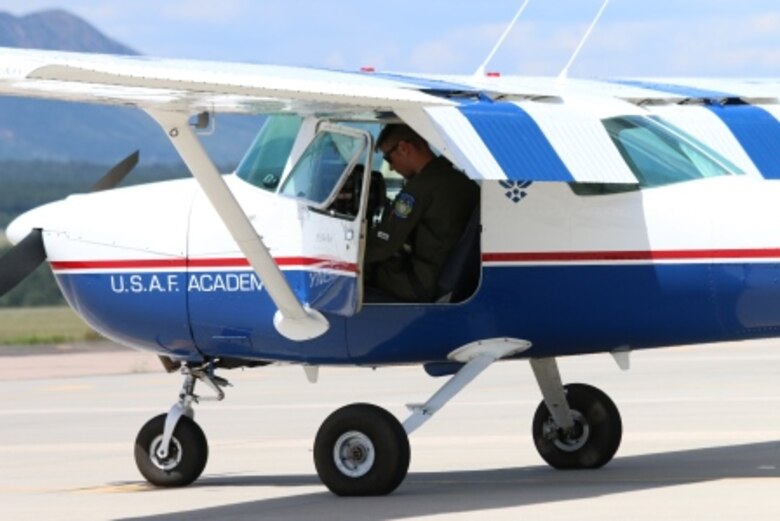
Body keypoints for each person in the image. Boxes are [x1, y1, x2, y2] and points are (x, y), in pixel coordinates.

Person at [365, 124, 479, 302]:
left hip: (419, 282)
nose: (392, 168)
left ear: (403, 148)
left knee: (361, 271)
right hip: (444, 273)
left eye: (389, 159)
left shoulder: (419, 189)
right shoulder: (461, 181)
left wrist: (348, 254)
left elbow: (384, 243)